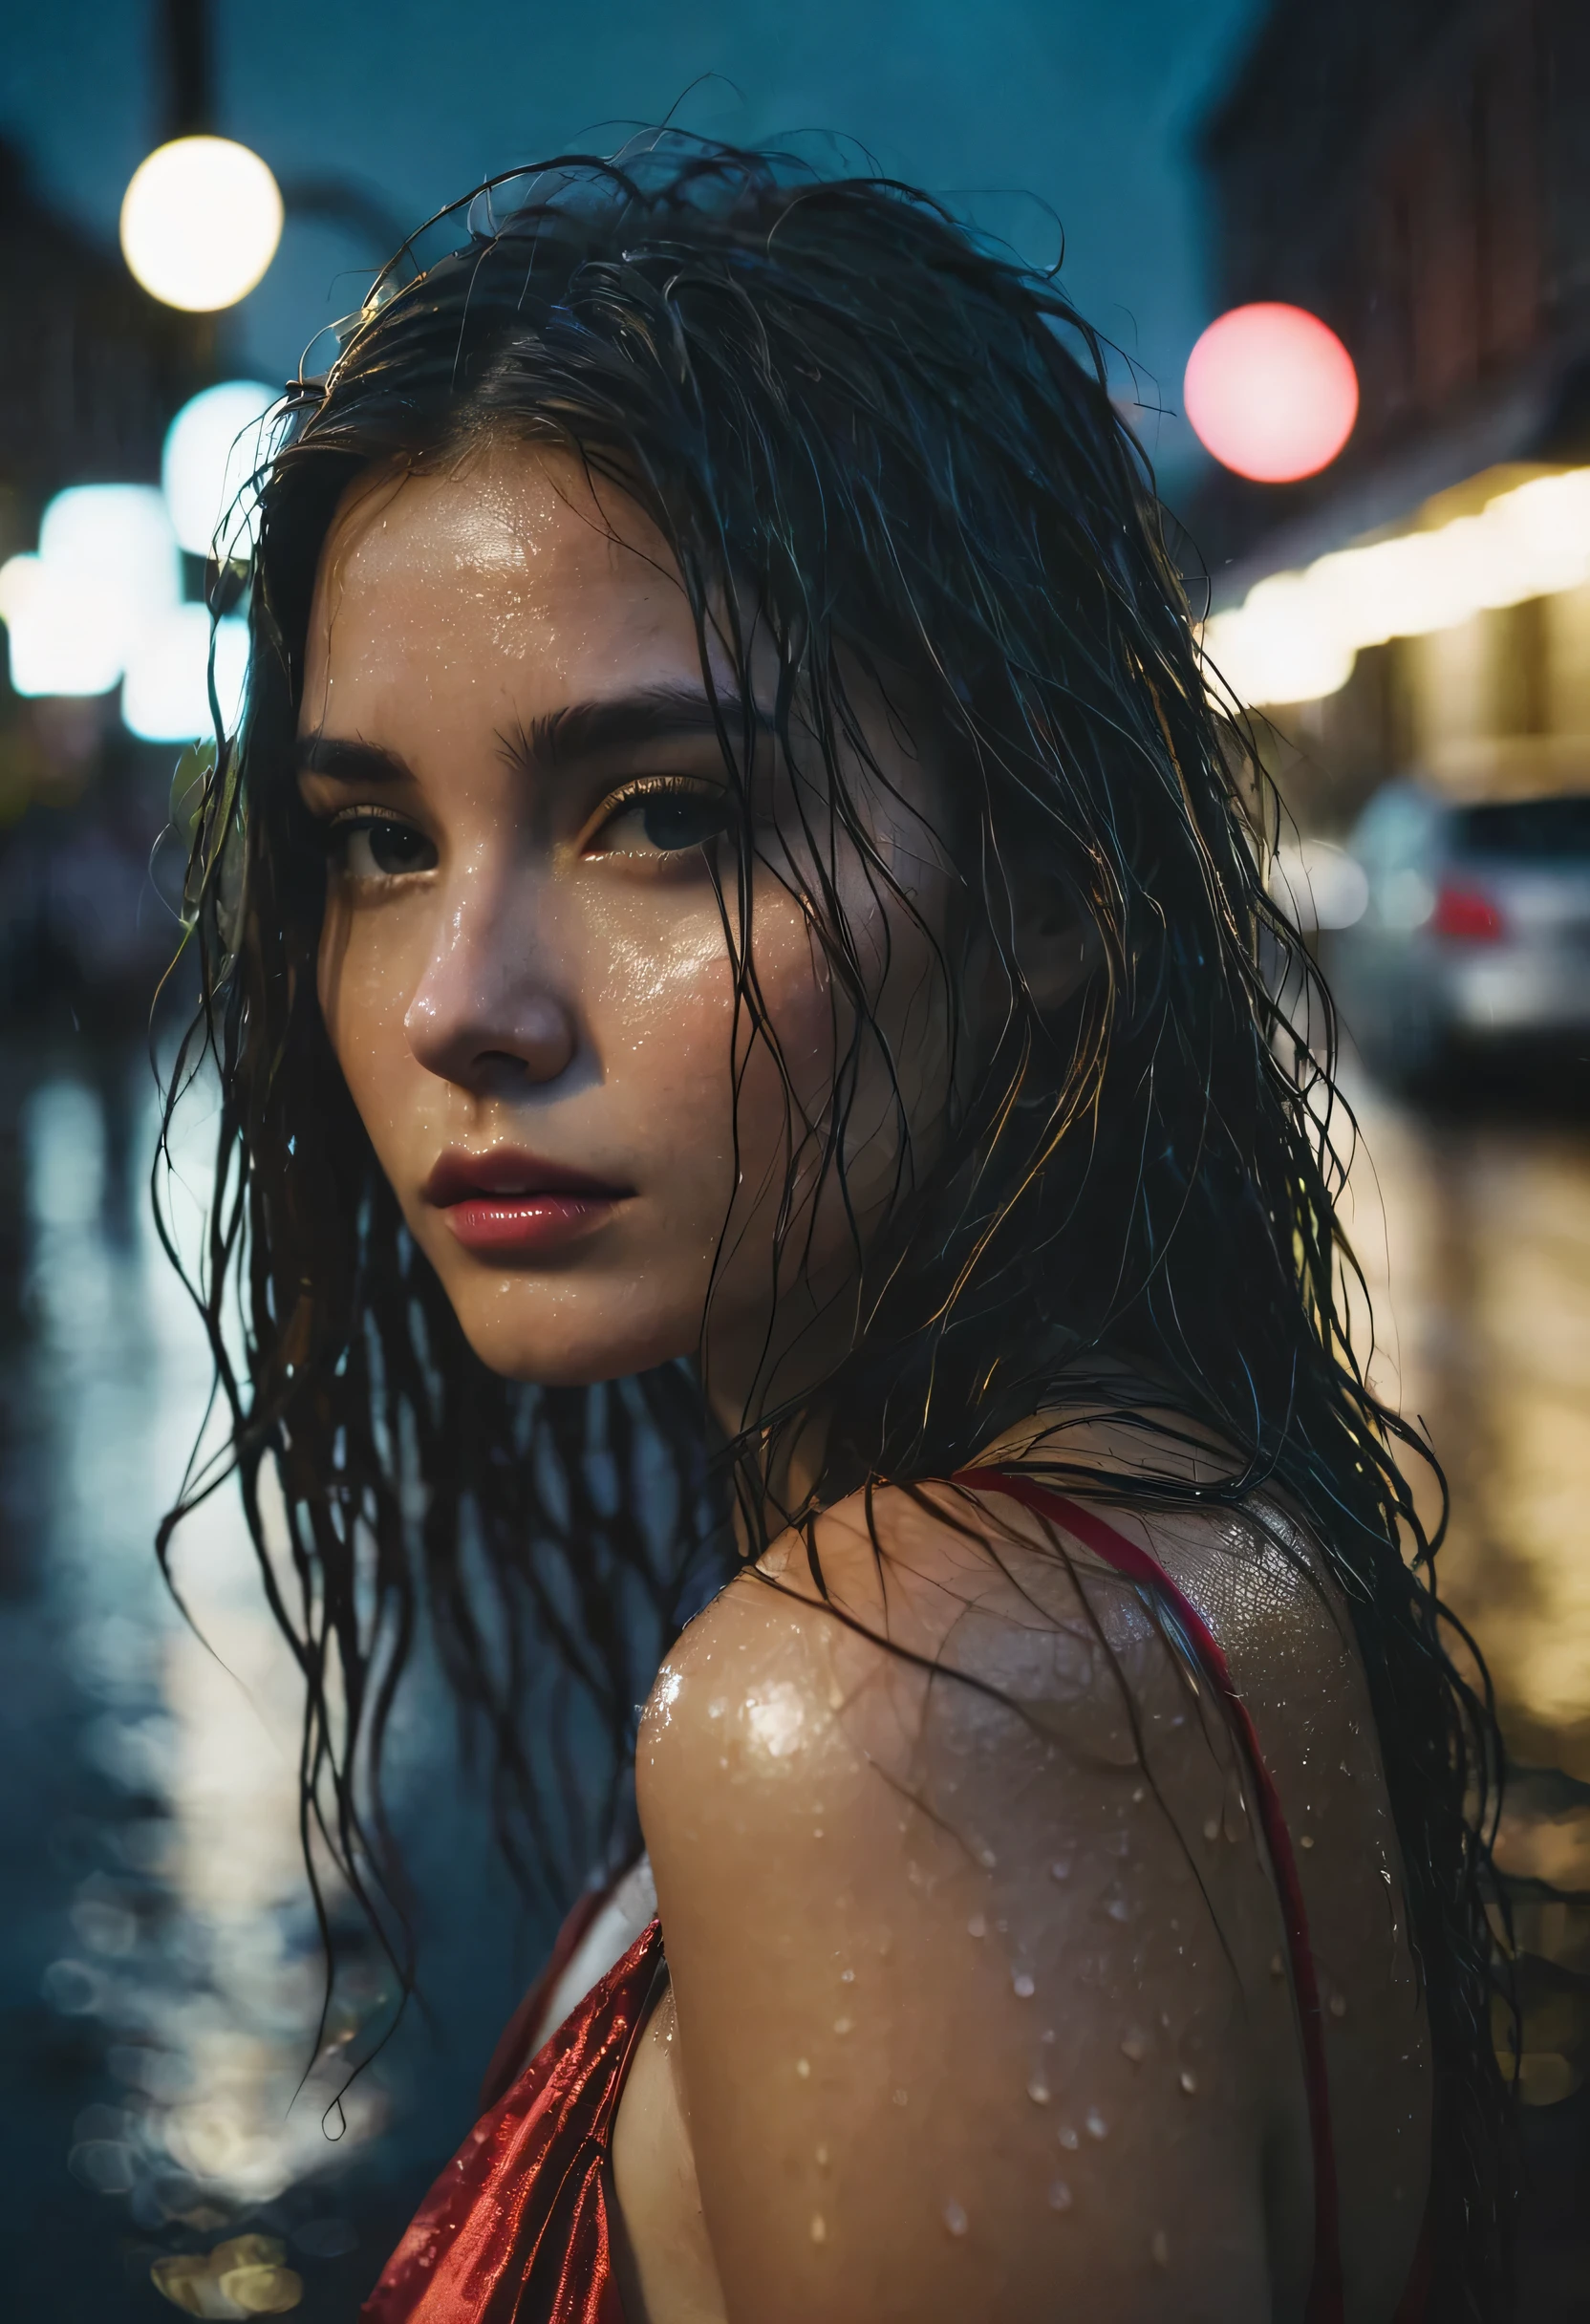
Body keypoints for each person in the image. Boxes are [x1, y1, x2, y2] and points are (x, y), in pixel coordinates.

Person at [162, 141, 1512, 2322]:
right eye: (375, 840)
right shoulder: (1178, 1552)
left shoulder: (887, 1715)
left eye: (665, 817)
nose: (452, 1004)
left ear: (1058, 895)